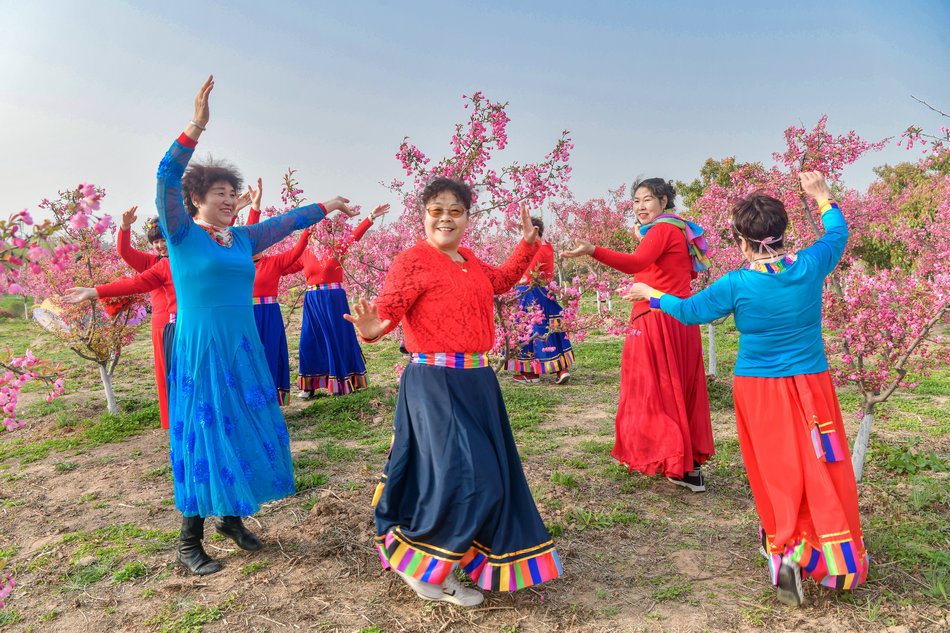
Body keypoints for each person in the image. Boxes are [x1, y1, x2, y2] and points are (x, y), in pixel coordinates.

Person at [625, 171, 868, 606]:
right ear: (784, 233)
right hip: (813, 384)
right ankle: (829, 549)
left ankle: (785, 548)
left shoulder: (736, 284)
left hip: (760, 389)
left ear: (741, 241)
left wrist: (652, 293)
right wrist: (822, 196)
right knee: (821, 460)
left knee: (775, 467)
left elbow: (689, 311)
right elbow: (838, 231)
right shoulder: (813, 264)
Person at [150, 75, 354, 575]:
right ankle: (188, 542)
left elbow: (285, 224)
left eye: (231, 193)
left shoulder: (241, 239)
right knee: (202, 433)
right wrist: (196, 125)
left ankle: (232, 519)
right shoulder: (180, 234)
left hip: (242, 347)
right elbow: (164, 177)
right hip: (200, 347)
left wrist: (325, 206)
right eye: (217, 192)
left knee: (244, 424)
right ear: (195, 198)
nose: (226, 199)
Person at [345, 178, 562, 607]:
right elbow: (387, 311)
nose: (445, 218)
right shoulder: (413, 260)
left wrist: (525, 245)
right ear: (424, 215)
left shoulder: (468, 259)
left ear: (467, 218)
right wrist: (373, 329)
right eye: (436, 210)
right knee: (468, 478)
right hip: (435, 382)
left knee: (479, 475)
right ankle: (423, 569)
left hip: (478, 382)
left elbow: (500, 281)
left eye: (455, 210)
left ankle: (438, 558)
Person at [560, 178, 714, 492]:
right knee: (678, 390)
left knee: (655, 391)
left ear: (665, 201)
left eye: (648, 200)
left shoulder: (661, 230)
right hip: (680, 318)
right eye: (636, 201)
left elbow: (636, 264)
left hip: (655, 319)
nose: (640, 207)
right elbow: (678, 271)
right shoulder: (681, 229)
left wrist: (592, 250)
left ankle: (677, 463)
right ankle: (688, 466)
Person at [293, 203, 389, 398]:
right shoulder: (305, 253)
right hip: (312, 300)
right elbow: (284, 265)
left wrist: (371, 216)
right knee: (309, 339)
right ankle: (309, 384)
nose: (322, 233)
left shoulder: (338, 248)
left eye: (326, 230)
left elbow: (355, 235)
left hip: (334, 299)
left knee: (336, 338)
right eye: (317, 229)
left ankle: (340, 380)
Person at [242, 181, 313, 405]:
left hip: (269, 313)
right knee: (248, 355)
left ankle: (271, 400)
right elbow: (246, 232)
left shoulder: (273, 262)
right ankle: (249, 401)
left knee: (269, 352)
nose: (257, 244)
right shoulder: (238, 264)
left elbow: (295, 253)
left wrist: (305, 232)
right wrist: (255, 206)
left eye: (262, 240)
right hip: (245, 314)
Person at [114, 207, 173, 429]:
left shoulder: (186, 259)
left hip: (188, 321)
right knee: (164, 373)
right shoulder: (150, 263)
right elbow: (125, 252)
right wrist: (125, 227)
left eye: (163, 239)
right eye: (155, 242)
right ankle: (170, 419)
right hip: (161, 324)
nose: (159, 245)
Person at [507, 217, 574, 384]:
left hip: (531, 293)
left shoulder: (535, 249)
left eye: (523, 230)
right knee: (550, 328)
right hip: (546, 292)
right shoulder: (547, 246)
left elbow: (526, 277)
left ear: (534, 230)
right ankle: (561, 369)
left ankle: (530, 373)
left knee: (530, 329)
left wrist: (508, 281)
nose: (522, 235)